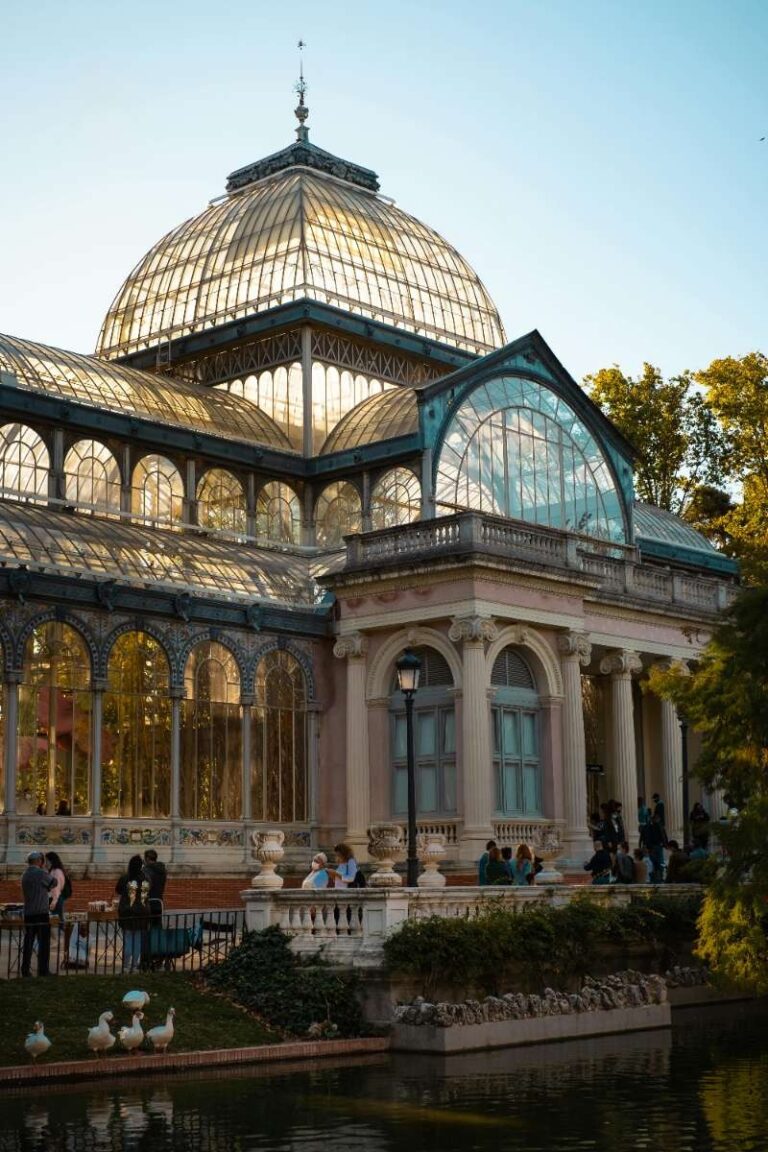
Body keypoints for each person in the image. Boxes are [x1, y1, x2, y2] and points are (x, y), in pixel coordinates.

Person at [21, 850, 55, 977]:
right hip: (41, 911)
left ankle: (25, 969)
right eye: (41, 860)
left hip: (28, 912)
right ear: (38, 861)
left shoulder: (25, 874)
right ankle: (43, 970)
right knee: (43, 943)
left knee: (28, 942)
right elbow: (54, 882)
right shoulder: (41, 873)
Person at [115, 854, 150, 973]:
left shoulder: (126, 878)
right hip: (142, 913)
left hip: (127, 912)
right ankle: (135, 966)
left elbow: (118, 890)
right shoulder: (146, 878)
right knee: (137, 940)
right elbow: (147, 893)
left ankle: (126, 966)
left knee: (128, 939)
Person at [640, 814, 666, 882]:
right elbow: (663, 835)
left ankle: (655, 877)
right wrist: (664, 843)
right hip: (656, 846)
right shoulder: (659, 826)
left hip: (652, 846)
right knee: (659, 862)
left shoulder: (647, 826)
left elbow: (643, 837)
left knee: (654, 862)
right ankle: (658, 876)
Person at [45, 851, 68, 920]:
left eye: (47, 861)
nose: (45, 863)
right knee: (56, 920)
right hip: (55, 898)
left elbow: (56, 888)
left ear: (51, 861)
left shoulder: (56, 871)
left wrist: (54, 902)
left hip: (56, 899)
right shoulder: (53, 871)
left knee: (56, 921)